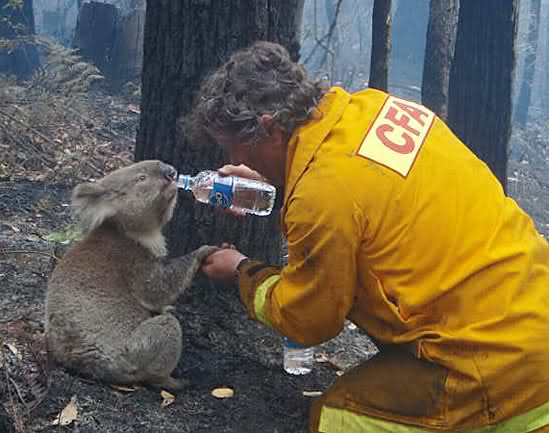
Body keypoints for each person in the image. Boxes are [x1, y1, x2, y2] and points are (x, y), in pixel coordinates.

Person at [187, 41, 549, 433]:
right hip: (534, 311)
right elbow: (362, 198)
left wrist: (242, 272)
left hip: (494, 367)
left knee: (338, 418)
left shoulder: (322, 196)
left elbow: (309, 320)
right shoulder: (375, 109)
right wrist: (276, 182)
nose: (240, 163)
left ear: (269, 128)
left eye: (239, 152)